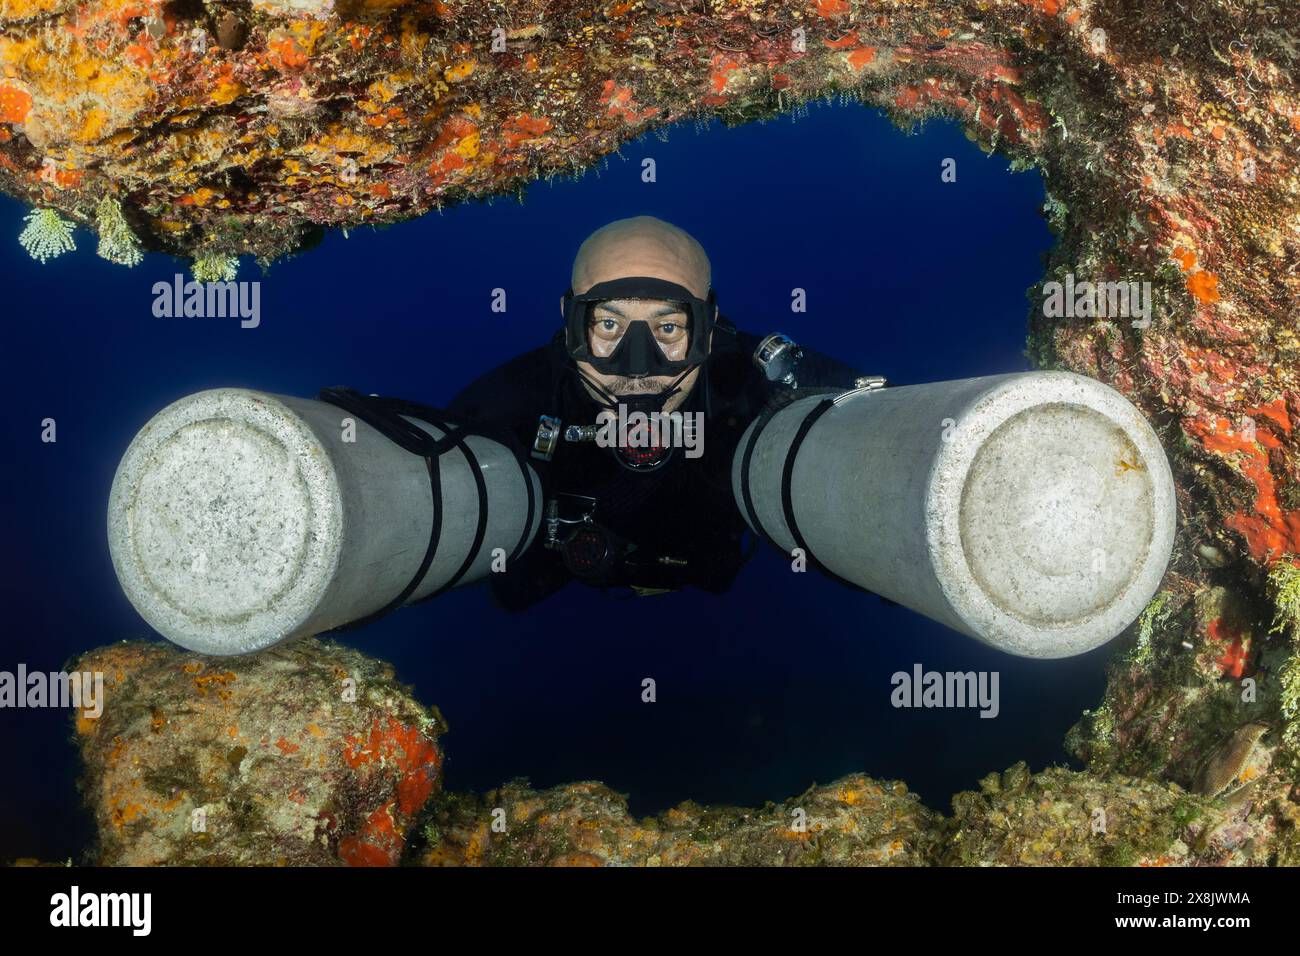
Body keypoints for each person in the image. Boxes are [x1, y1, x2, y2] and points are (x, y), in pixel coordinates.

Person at [447, 215, 872, 611]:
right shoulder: (511, 403)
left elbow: (889, 441)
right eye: (608, 325)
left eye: (668, 328)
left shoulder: (753, 381)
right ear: (569, 320)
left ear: (708, 325)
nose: (637, 368)